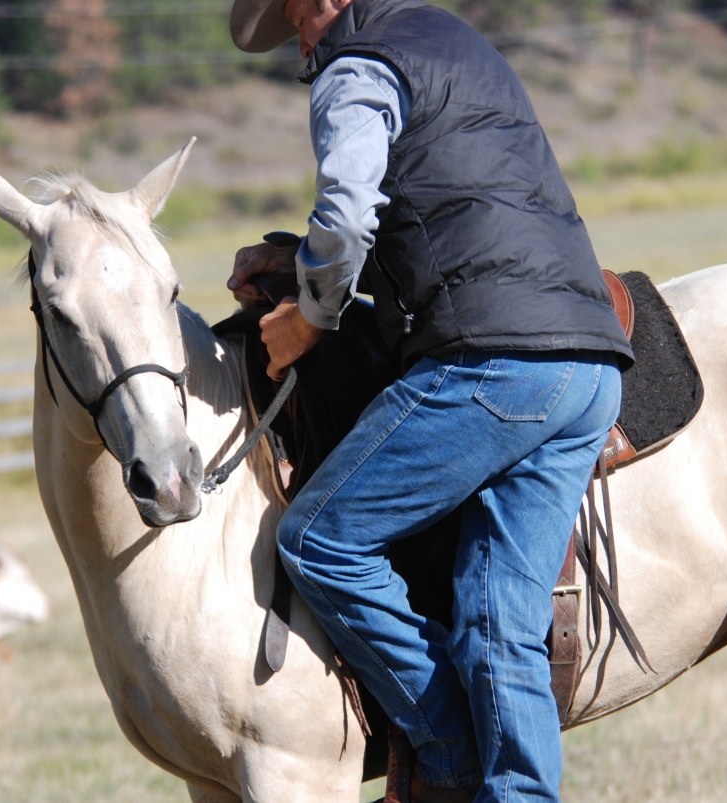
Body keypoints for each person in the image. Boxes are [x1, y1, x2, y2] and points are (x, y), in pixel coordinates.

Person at [226, 0, 634, 800]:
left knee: (319, 539)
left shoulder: (355, 67)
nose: (299, 49)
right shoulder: (449, 37)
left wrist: (308, 318)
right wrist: (293, 256)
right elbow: (455, 214)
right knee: (499, 630)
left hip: (493, 365)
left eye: (293, 26)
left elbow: (346, 220)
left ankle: (446, 753)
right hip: (585, 369)